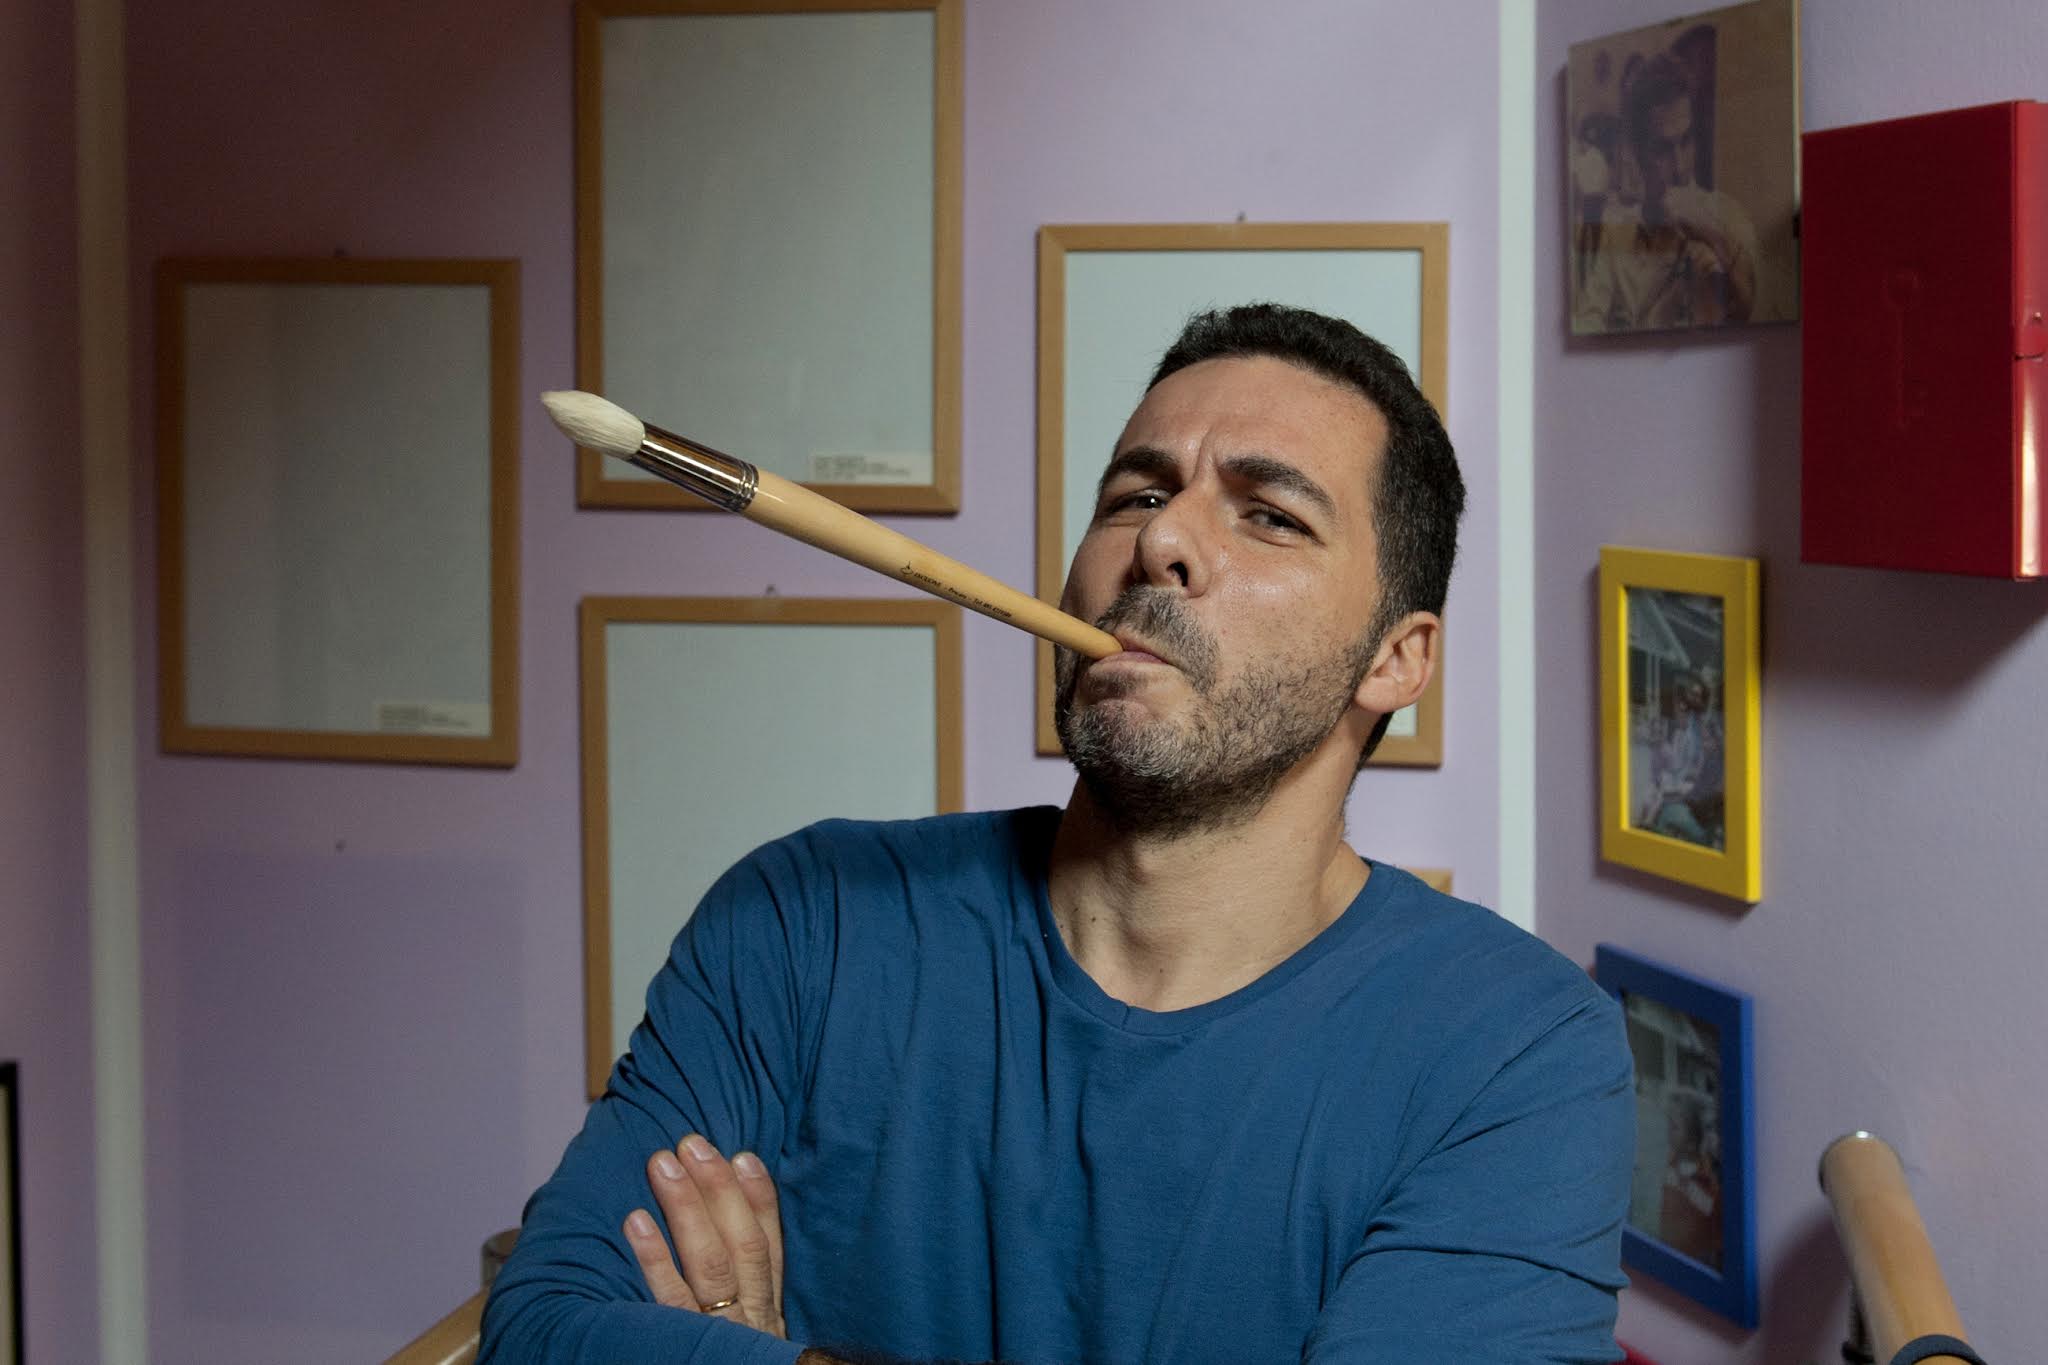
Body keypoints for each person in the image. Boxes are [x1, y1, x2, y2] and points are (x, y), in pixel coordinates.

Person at [479, 304, 1634, 1363]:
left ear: (1394, 660)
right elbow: (539, 1330)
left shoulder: (1516, 1051)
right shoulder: (805, 915)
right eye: (1134, 496)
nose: (1161, 540)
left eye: (1268, 515)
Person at [1574, 49, 1760, 332]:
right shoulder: (1617, 232)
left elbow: (1754, 313)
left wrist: (1702, 228)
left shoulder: (1730, 215)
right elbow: (1587, 322)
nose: (1680, 166)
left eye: (1686, 141)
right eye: (1662, 150)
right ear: (1637, 156)